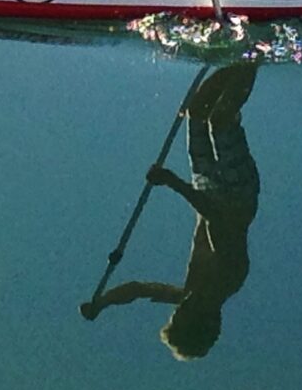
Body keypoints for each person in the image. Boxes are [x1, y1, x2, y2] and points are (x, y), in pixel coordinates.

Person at [79, 63, 261, 360]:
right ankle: (254, 55)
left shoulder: (189, 293)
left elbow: (138, 290)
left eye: (176, 315)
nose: (179, 308)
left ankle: (234, 57)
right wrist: (172, 182)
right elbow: (218, 220)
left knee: (197, 111)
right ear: (204, 320)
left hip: (206, 186)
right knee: (221, 120)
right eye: (181, 316)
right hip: (236, 192)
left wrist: (102, 303)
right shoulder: (230, 277)